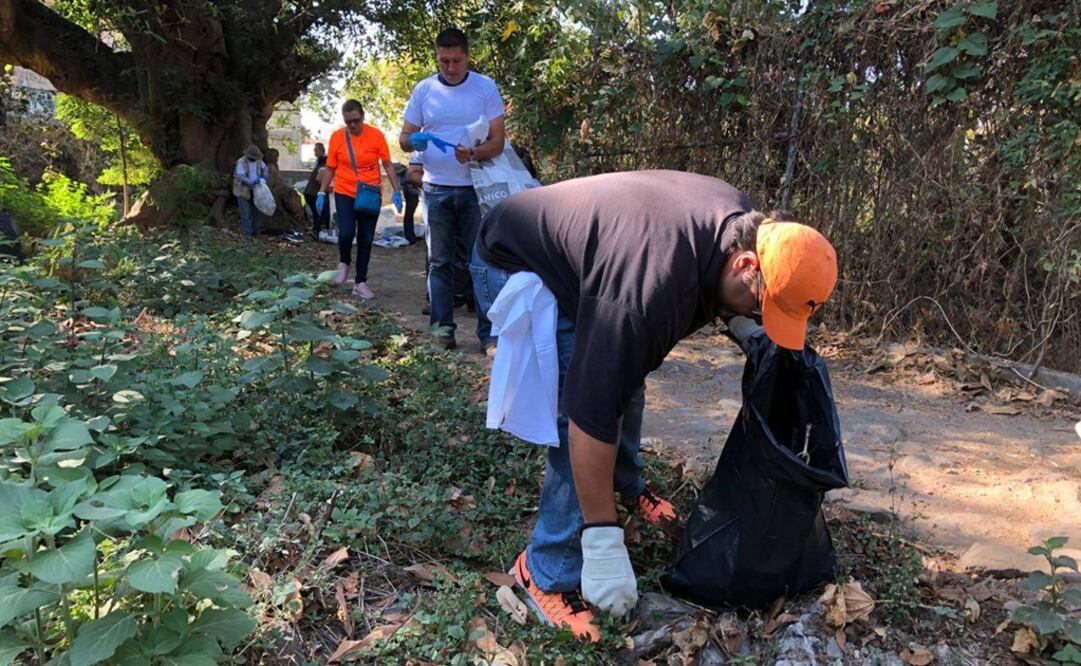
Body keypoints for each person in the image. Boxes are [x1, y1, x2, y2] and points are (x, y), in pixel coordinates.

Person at [472, 170, 839, 641]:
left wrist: (748, 328)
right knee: (585, 404)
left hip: (609, 261)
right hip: (515, 258)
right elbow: (590, 416)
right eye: (759, 307)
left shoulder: (745, 229)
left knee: (625, 370)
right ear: (745, 263)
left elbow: (701, 300)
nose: (755, 317)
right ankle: (544, 572)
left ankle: (625, 483)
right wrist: (604, 542)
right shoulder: (646, 290)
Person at [399, 27, 505, 351]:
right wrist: (412, 141)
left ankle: (490, 336)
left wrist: (473, 153)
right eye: (443, 61)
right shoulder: (423, 90)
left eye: (456, 60)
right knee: (439, 263)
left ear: (467, 57)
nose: (450, 67)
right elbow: (404, 138)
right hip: (435, 189)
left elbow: (497, 143)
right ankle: (442, 333)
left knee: (481, 262)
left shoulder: (485, 89)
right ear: (437, 58)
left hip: (476, 188)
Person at [316, 100, 403, 300]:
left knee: (366, 238)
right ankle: (344, 261)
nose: (353, 125)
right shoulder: (338, 137)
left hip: (369, 193)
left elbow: (388, 165)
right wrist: (321, 192)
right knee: (346, 232)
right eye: (349, 122)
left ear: (363, 117)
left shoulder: (376, 136)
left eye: (356, 120)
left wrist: (397, 190)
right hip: (344, 190)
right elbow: (330, 168)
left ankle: (360, 282)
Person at [233, 144, 268, 237]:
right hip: (242, 190)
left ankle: (256, 233)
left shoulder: (259, 161)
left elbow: (265, 169)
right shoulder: (241, 162)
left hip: (256, 190)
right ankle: (247, 234)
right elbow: (241, 177)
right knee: (245, 213)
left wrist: (264, 178)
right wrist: (252, 183)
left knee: (256, 211)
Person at [304, 142, 329, 237]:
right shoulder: (322, 166)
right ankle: (317, 231)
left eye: (316, 150)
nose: (314, 151)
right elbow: (319, 179)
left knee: (317, 213)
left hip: (309, 192)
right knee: (321, 212)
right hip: (314, 193)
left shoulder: (320, 164)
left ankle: (316, 230)